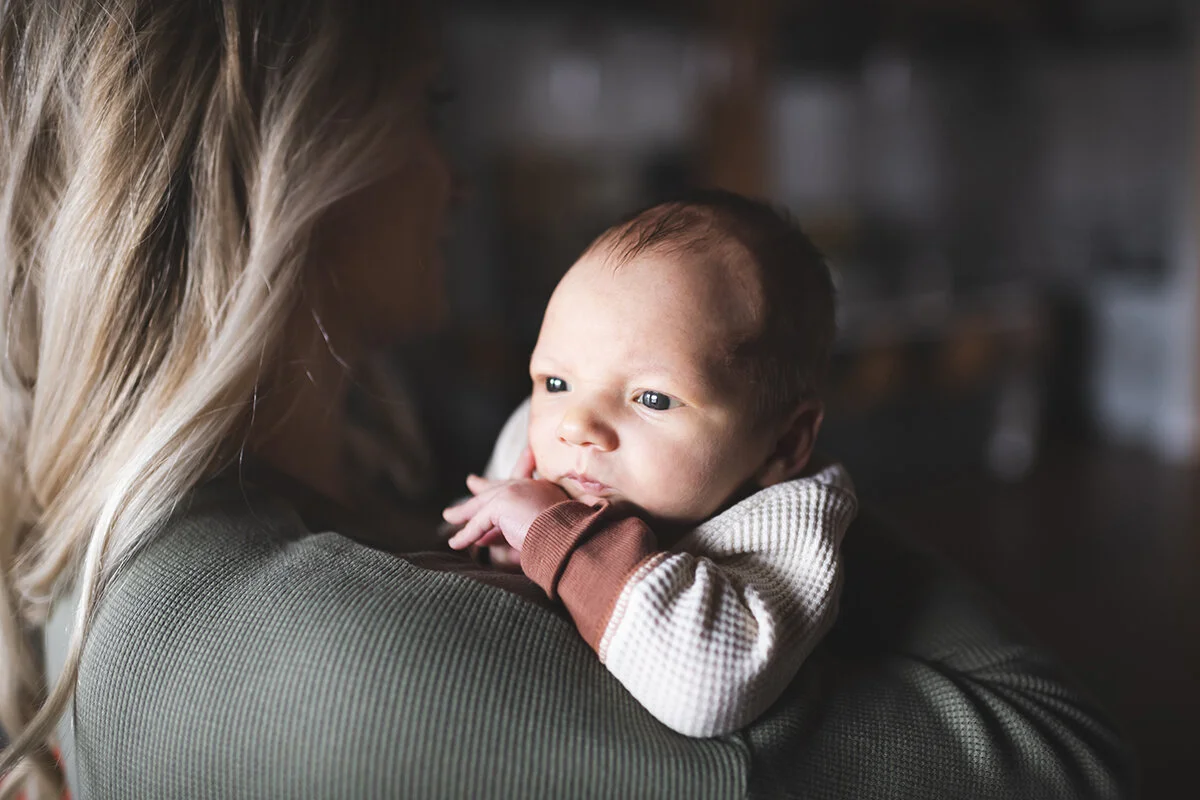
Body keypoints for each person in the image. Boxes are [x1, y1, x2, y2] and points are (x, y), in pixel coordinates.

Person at [0, 1, 1133, 798]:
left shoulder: (131, 527)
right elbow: (1073, 761)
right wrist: (760, 480)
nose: (462, 178)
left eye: (647, 396)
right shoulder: (338, 664)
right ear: (299, 167)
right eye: (432, 107)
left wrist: (740, 469)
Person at [444, 193, 859, 737]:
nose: (577, 425)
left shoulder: (786, 526)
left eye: (653, 399)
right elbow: (457, 542)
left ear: (782, 446)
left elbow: (708, 687)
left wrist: (559, 538)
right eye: (557, 381)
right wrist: (494, 549)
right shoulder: (543, 434)